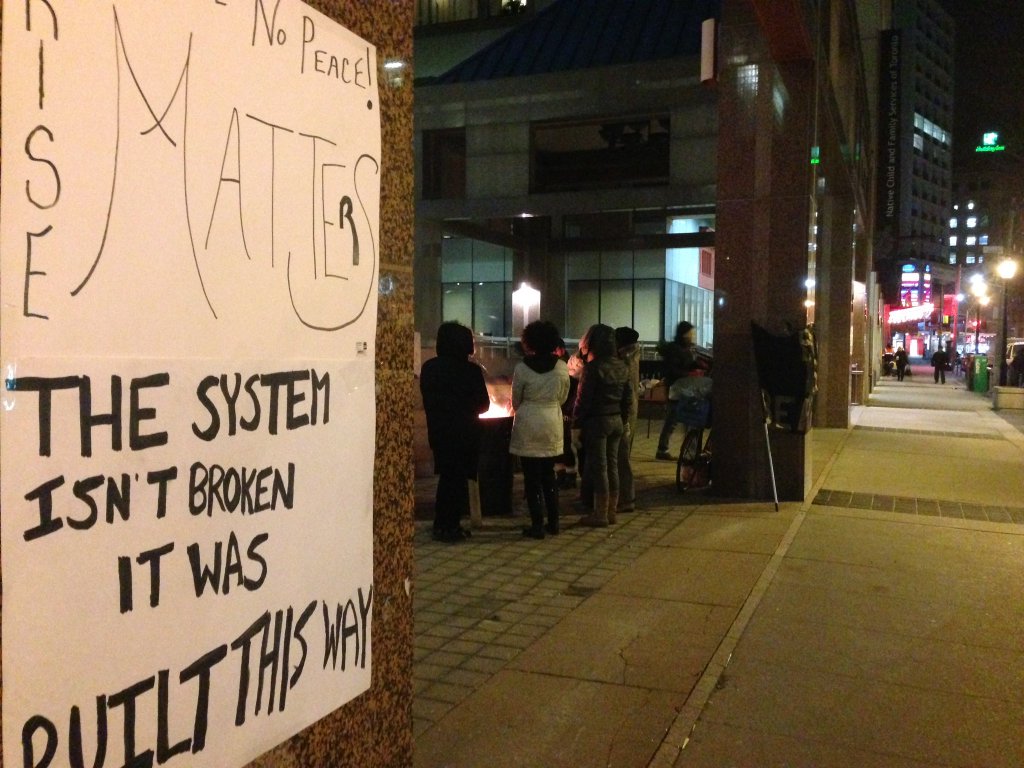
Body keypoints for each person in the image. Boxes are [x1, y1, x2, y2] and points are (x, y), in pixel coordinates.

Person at [419, 322, 490, 543]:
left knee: (447, 478)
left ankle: (442, 524)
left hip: (440, 432)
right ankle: (451, 526)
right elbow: (483, 405)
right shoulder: (471, 371)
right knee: (457, 482)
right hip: (465, 434)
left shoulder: (430, 368)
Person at [509, 320, 571, 538]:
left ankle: (537, 525)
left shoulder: (522, 368)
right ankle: (554, 523)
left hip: (528, 423)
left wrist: (525, 408)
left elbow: (516, 400)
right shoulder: (562, 367)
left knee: (531, 478)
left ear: (529, 342)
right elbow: (563, 397)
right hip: (551, 423)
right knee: (549, 475)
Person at [572, 324, 632, 527]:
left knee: (600, 469)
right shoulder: (623, 366)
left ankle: (600, 514)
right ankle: (612, 512)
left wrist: (576, 425)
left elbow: (583, 400)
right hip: (616, 420)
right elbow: (628, 398)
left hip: (598, 422)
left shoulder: (593, 368)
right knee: (613, 466)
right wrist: (624, 420)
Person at [655, 321, 698, 460]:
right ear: (683, 334)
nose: (692, 336)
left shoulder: (685, 348)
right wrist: (688, 373)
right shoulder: (675, 349)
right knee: (673, 420)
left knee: (686, 421)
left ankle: (687, 451)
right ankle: (663, 449)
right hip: (676, 389)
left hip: (686, 388)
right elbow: (671, 370)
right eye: (690, 333)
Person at [615, 326, 641, 514]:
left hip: (624, 414)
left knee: (621, 458)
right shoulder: (633, 357)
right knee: (622, 456)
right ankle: (624, 497)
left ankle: (626, 498)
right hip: (629, 412)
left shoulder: (625, 361)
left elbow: (626, 392)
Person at [554, 338, 580, 489]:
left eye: (555, 350)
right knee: (558, 443)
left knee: (565, 443)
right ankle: (561, 473)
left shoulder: (569, 366)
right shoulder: (558, 365)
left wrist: (568, 411)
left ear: (561, 350)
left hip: (565, 411)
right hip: (557, 409)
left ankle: (570, 475)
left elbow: (573, 391)